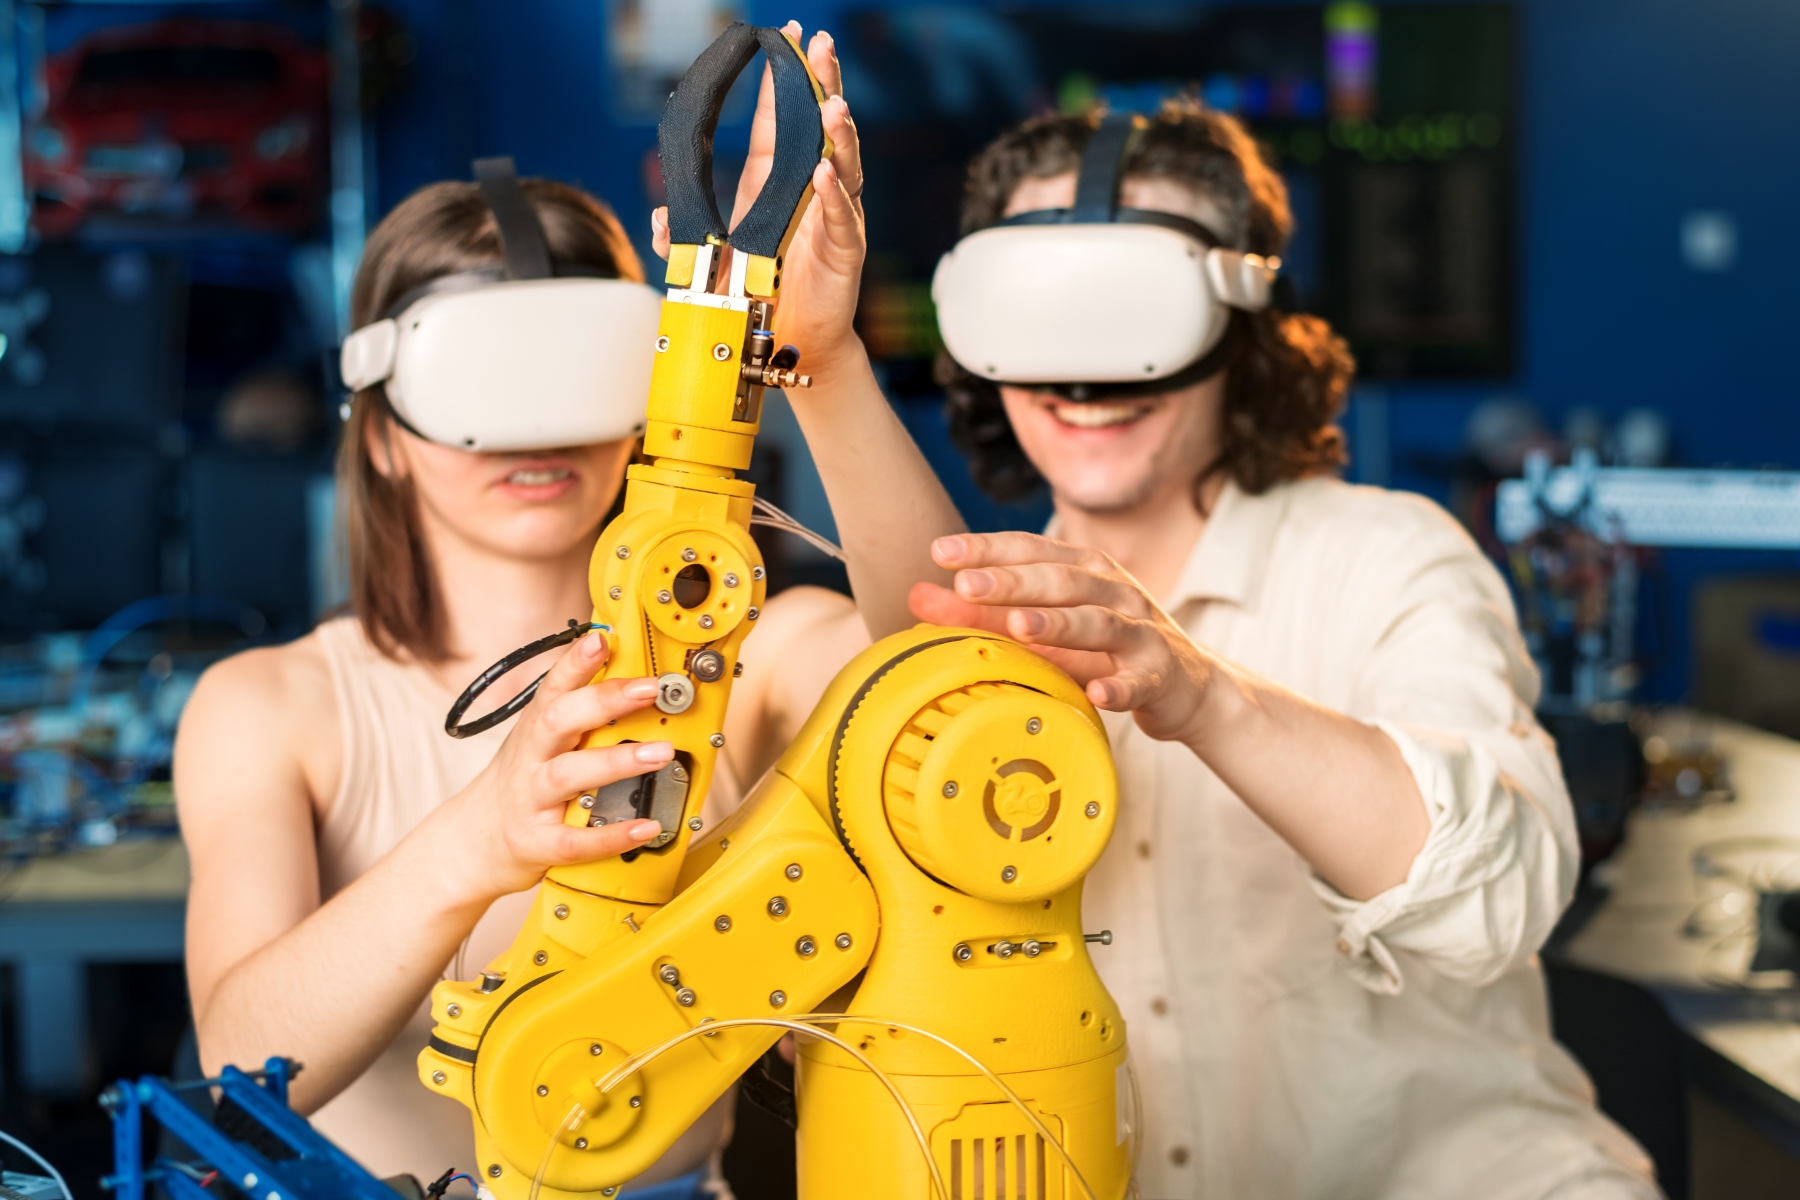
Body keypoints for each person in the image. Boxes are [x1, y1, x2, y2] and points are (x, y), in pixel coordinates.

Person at [174, 25, 960, 1190]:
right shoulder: (272, 709)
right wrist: (478, 843)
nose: (536, 430)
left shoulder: (744, 663)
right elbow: (238, 1067)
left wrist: (821, 362)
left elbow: (945, 661)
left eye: (576, 368)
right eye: (484, 380)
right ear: (382, 431)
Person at [909, 103, 1660, 1200]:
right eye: (1045, 312)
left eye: (1133, 311)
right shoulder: (970, 636)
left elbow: (1502, 900)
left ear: (1244, 319)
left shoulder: (1390, 558)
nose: (1085, 372)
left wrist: (1206, 696)